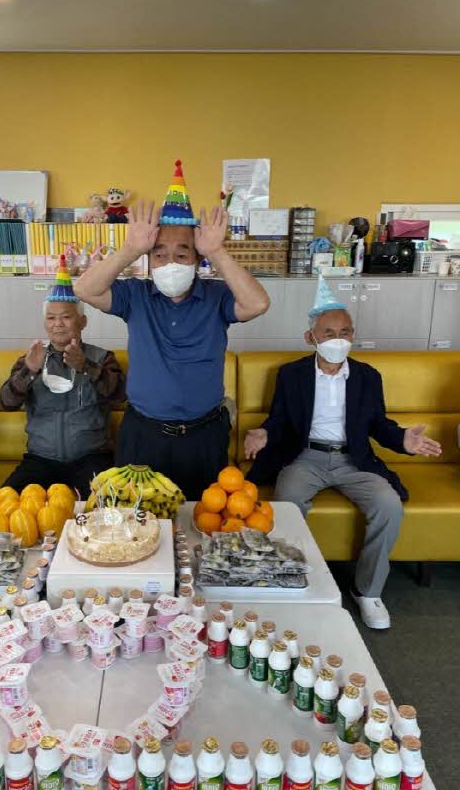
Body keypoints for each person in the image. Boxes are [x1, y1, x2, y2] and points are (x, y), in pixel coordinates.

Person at [244, 276, 442, 629]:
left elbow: (378, 424)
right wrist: (264, 433)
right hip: (306, 458)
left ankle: (369, 591)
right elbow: (280, 420)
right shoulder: (291, 375)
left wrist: (403, 441)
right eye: (329, 332)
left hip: (355, 460)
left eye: (345, 332)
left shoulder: (367, 376)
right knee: (287, 504)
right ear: (311, 338)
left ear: (353, 335)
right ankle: (288, 576)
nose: (338, 339)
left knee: (388, 505)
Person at [74, 159, 270, 499]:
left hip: (204, 435)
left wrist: (217, 251)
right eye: (159, 255)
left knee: (204, 518)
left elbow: (258, 303)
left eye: (182, 254)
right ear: (149, 260)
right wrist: (131, 249)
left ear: (197, 258)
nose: (170, 263)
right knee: (138, 520)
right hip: (144, 434)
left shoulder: (217, 296)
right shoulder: (135, 295)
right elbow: (84, 289)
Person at [0, 257, 126, 498]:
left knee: (109, 508)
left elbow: (120, 394)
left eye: (66, 317)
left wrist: (85, 366)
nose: (58, 324)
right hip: (40, 459)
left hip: (91, 457)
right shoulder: (31, 358)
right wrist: (29, 371)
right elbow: (6, 402)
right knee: (5, 504)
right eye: (51, 318)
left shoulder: (102, 358)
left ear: (82, 321)